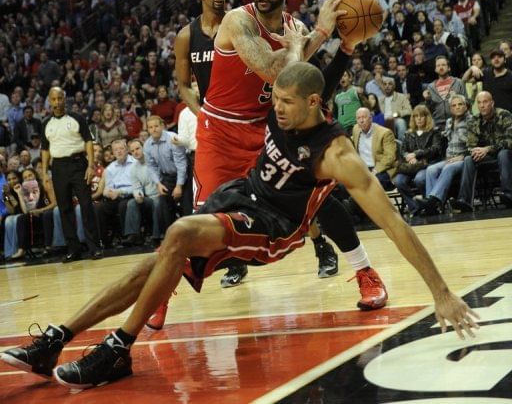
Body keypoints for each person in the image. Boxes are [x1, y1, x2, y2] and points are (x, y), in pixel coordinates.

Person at [0, 62, 479, 390]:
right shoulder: (284, 97)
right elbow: (297, 51)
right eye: (279, 100)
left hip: (274, 228)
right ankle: (57, 340)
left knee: (179, 233)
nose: (279, 108)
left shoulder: (337, 154)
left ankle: (120, 348)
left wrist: (440, 291)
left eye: (290, 103)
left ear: (315, 102)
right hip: (243, 196)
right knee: (156, 260)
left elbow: (396, 224)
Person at [192, 0, 387, 311]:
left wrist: (343, 45)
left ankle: (365, 272)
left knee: (319, 196)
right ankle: (160, 293)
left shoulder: (294, 29)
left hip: (266, 126)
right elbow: (271, 69)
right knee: (200, 226)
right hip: (221, 131)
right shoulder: (238, 19)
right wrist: (323, 35)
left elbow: (303, 81)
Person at [41, 87, 102, 262]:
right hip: (58, 167)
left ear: (64, 99)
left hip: (78, 164)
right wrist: (45, 173)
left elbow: (88, 141)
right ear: (50, 101)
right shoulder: (46, 123)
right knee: (65, 208)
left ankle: (94, 247)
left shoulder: (77, 118)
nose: (57, 102)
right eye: (53, 99)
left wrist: (90, 165)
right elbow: (45, 149)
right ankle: (73, 249)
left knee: (86, 205)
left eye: (60, 98)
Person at [451, 91, 512, 212]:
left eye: (485, 102)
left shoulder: (504, 115)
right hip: (488, 157)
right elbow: (470, 146)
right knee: (469, 159)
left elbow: (510, 140)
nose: (482, 105)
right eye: (479, 103)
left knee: (503, 153)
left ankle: (508, 195)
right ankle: (464, 201)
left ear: (492, 103)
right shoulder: (474, 120)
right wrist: (475, 151)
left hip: (507, 156)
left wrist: (488, 149)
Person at [416, 94, 472, 215]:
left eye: (460, 104)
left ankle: (434, 200)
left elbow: (475, 143)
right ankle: (432, 207)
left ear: (466, 106)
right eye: (454, 105)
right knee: (431, 169)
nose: (457, 107)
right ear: (450, 109)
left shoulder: (471, 120)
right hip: (449, 158)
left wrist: (462, 156)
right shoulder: (449, 121)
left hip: (464, 158)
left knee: (448, 167)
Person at [393, 105, 444, 215]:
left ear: (427, 117)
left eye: (422, 116)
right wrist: (408, 156)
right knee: (398, 181)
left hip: (426, 164)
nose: (419, 119)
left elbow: (435, 149)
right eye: (416, 116)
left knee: (419, 179)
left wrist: (416, 154)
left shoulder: (434, 132)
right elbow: (403, 151)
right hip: (410, 166)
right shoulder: (408, 133)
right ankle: (416, 206)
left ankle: (429, 205)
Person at [352, 107, 397, 191]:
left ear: (370, 118)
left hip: (381, 169)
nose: (361, 121)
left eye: (364, 117)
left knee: (368, 184)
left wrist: (375, 171)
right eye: (359, 118)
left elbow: (390, 157)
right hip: (363, 169)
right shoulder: (356, 129)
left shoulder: (385, 133)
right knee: (345, 182)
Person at [423, 56, 467, 129]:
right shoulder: (430, 87)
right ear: (435, 69)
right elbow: (429, 110)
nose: (441, 67)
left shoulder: (458, 82)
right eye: (438, 65)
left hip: (458, 122)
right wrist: (427, 99)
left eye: (443, 65)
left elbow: (467, 103)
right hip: (438, 125)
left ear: (449, 68)